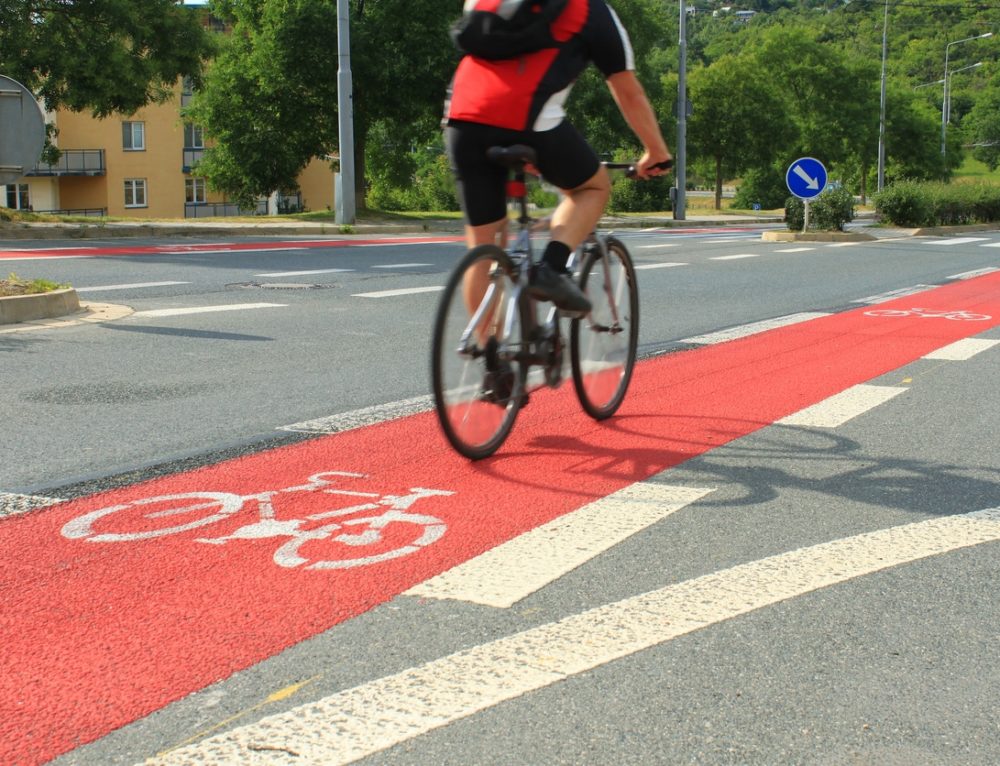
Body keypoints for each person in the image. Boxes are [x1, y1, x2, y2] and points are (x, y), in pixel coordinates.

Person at [444, 0, 672, 317]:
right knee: (592, 187)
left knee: (483, 249)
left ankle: (488, 356)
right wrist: (656, 151)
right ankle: (551, 268)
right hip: (528, 119)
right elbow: (627, 90)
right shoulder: (592, 10)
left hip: (462, 118)